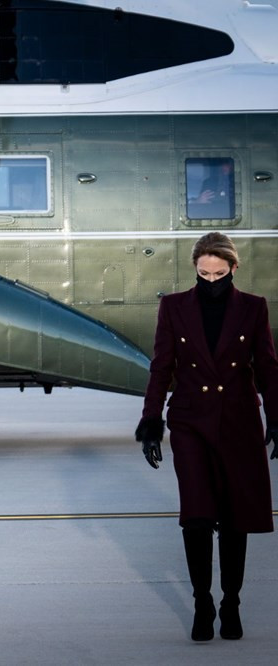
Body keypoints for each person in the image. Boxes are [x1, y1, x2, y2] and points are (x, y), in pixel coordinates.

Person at [135, 231, 278, 642]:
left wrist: (277, 415)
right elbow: (161, 367)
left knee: (236, 519)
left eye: (219, 274)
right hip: (190, 423)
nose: (211, 281)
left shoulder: (253, 308)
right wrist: (150, 421)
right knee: (197, 517)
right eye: (203, 274)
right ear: (195, 268)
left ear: (234, 269)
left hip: (238, 422)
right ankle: (202, 602)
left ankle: (231, 603)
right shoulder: (174, 307)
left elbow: (267, 367)